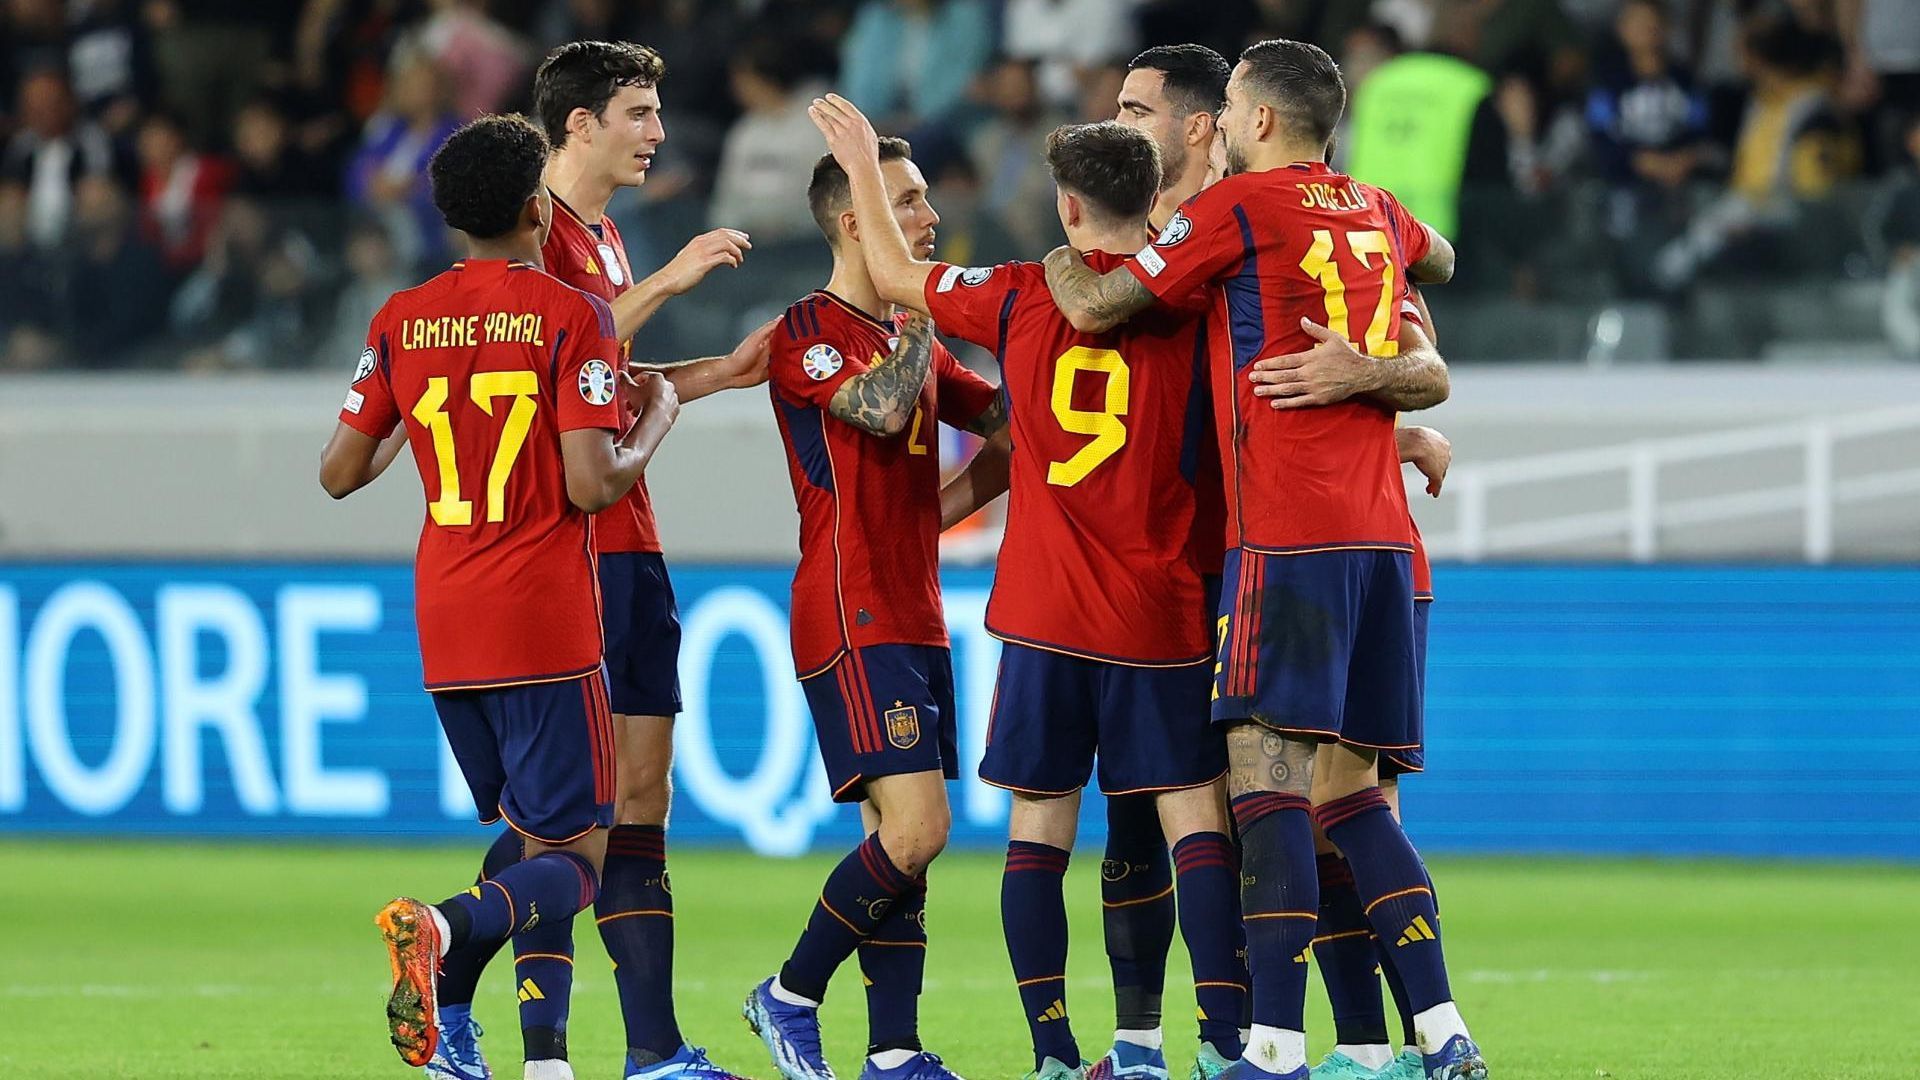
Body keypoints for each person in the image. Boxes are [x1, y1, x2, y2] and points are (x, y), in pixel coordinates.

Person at [1039, 39, 1485, 1080]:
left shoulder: (1234, 210)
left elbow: (1096, 306)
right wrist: (1372, 356)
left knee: (1265, 788)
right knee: (1351, 799)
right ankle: (1438, 1033)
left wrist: (1057, 251)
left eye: (1234, 106)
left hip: (1286, 537)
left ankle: (1274, 1047)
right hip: (1380, 543)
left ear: (1253, 120)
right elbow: (1442, 259)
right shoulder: (1373, 210)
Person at [812, 96, 1250, 1080]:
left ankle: (1054, 1056)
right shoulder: (1197, 302)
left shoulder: (1016, 293)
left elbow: (895, 275)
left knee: (1038, 831)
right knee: (1194, 821)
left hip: (1045, 612)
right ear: (1152, 198)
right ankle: (1224, 1046)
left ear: (1067, 206)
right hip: (1160, 608)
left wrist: (862, 164)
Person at [427, 39, 770, 1080]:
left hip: (632, 539)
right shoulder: (535, 246)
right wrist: (674, 276)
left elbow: (608, 374)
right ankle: (484, 992)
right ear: (577, 124)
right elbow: (555, 347)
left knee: (638, 797)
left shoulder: (606, 237)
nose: (658, 132)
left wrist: (719, 373)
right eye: (639, 113)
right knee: (573, 816)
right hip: (572, 551)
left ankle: (644, 1045)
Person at [315, 112, 679, 1074]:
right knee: (577, 860)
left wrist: (421, 416)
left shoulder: (401, 317)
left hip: (446, 619)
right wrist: (658, 418)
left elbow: (340, 471)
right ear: (536, 207)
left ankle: (532, 1055)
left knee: (530, 832)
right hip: (542, 618)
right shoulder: (572, 313)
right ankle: (440, 926)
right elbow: (593, 484)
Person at [743, 133, 1000, 1080]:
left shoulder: (907, 340)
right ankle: (788, 993)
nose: (929, 217)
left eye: (925, 198)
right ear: (858, 224)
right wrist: (921, 312)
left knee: (901, 843)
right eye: (908, 202)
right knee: (918, 829)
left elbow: (1015, 427)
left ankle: (893, 1051)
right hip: (852, 610)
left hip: (912, 607)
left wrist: (945, 509)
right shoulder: (807, 331)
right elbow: (884, 409)